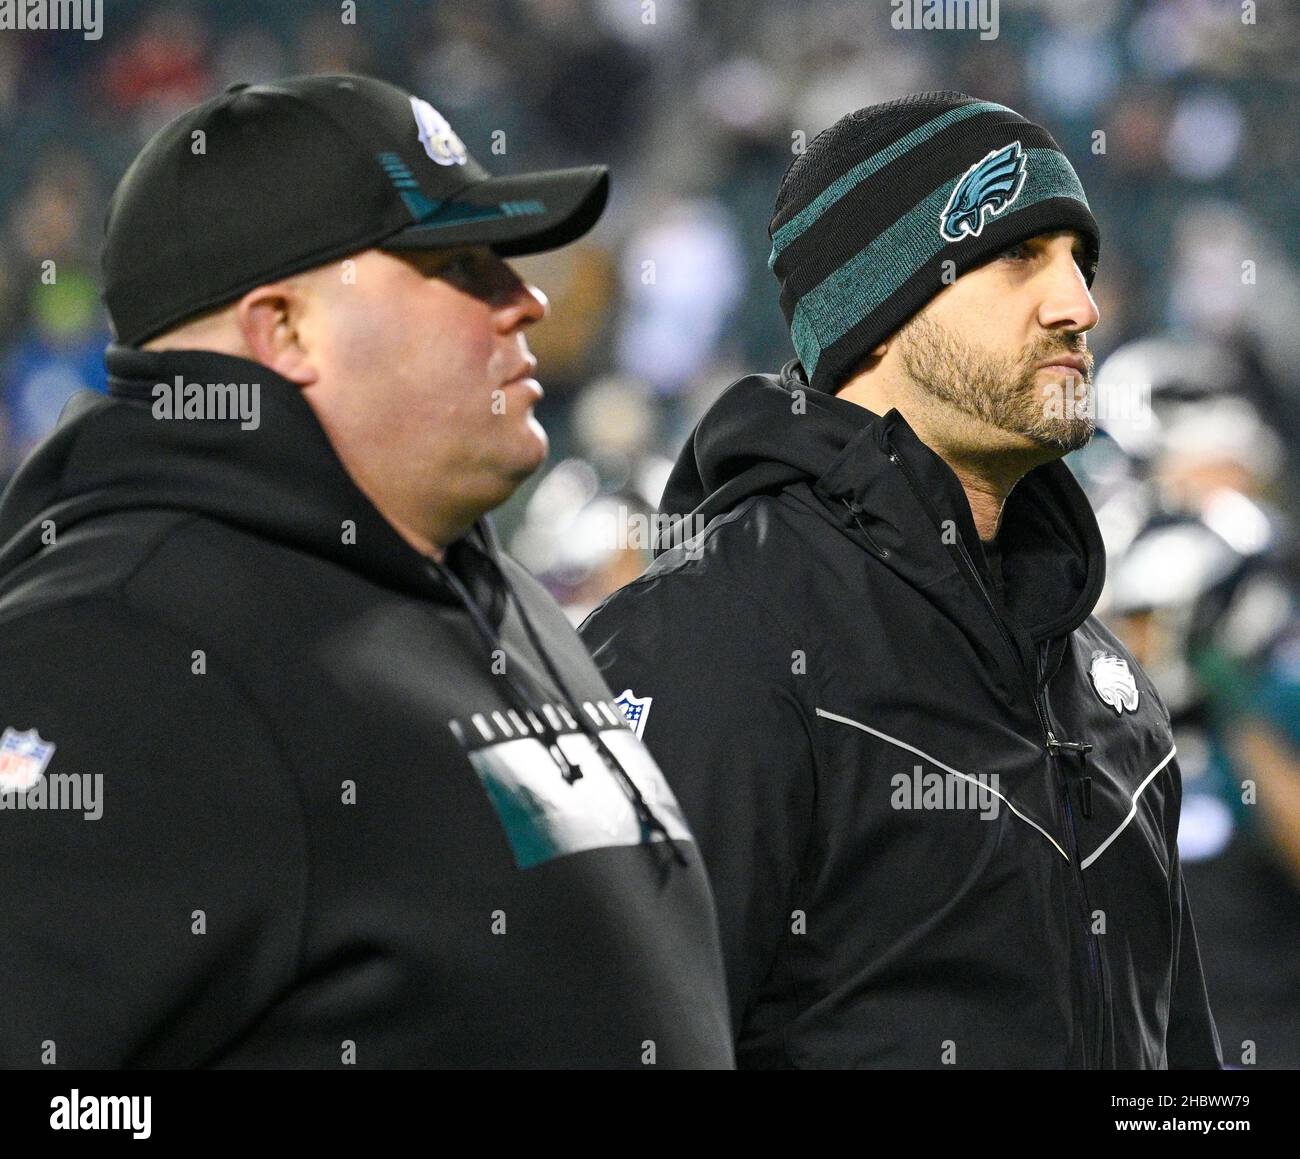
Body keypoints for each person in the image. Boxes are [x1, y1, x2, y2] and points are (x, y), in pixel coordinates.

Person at [0, 74, 732, 1069]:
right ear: (286, 329)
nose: (528, 299)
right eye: (462, 267)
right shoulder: (120, 643)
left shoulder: (481, 586)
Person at [580, 91, 1222, 1068]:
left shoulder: (1098, 671)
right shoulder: (712, 637)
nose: (1078, 307)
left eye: (1080, 265)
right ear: (874, 309)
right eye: (1017, 256)